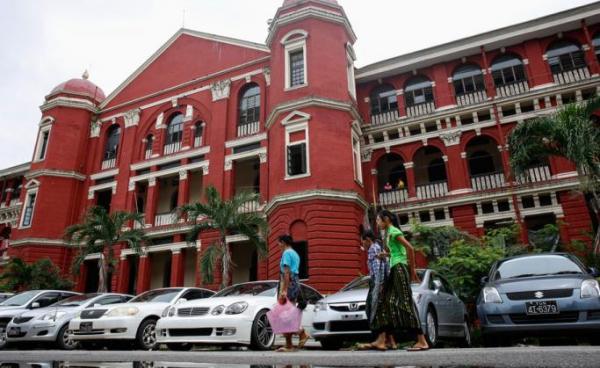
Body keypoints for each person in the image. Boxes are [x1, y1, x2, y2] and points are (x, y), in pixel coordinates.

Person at [370, 210, 429, 351]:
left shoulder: (394, 231)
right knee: (386, 301)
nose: (377, 224)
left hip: (400, 269)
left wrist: (412, 270)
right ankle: (385, 339)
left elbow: (410, 248)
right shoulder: (389, 232)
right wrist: (385, 254)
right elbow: (397, 252)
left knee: (405, 303)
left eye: (378, 220)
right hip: (395, 267)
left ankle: (422, 340)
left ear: (386, 219)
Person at [357, 230, 394, 350]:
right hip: (379, 281)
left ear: (368, 239)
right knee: (382, 309)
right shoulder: (377, 247)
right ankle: (391, 341)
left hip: (377, 281)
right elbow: (385, 265)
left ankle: (381, 340)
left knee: (372, 308)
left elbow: (379, 266)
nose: (362, 244)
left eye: (363, 241)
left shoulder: (373, 248)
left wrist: (380, 284)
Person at [276, 234, 309, 352]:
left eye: (279, 243)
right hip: (295, 282)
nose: (278, 245)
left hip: (288, 283)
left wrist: (284, 290)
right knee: (288, 313)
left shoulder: (286, 253)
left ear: (283, 242)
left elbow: (286, 272)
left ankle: (301, 332)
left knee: (286, 315)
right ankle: (289, 344)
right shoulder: (295, 253)